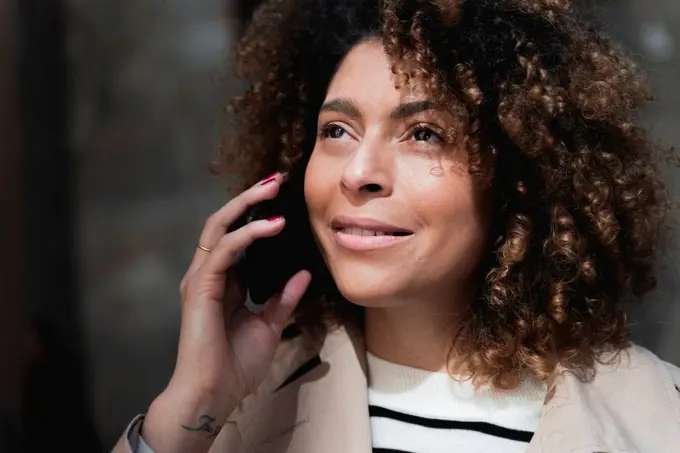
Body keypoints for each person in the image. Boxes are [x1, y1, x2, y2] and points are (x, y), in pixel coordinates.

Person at [113, 0, 680, 452]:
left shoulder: (659, 419)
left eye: (425, 134)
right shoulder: (233, 410)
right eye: (337, 130)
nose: (358, 173)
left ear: (520, 176)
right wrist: (189, 410)